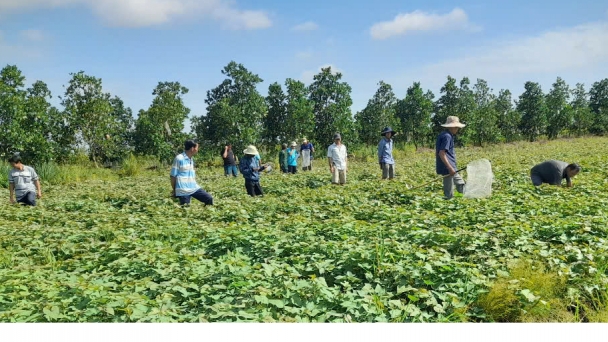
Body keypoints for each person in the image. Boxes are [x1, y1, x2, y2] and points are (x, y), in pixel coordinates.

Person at [170, 140, 213, 206]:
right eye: (197, 148)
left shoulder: (191, 159)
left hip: (194, 187)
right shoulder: (179, 158)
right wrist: (174, 190)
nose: (197, 150)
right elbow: (173, 176)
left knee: (209, 199)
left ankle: (205, 214)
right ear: (192, 148)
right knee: (186, 209)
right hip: (183, 190)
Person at [436, 116, 466, 199]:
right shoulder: (447, 136)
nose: (457, 129)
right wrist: (449, 168)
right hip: (447, 167)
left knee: (460, 183)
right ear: (452, 127)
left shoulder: (445, 135)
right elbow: (441, 153)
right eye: (456, 127)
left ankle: (464, 199)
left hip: (450, 166)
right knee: (448, 191)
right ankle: (448, 203)